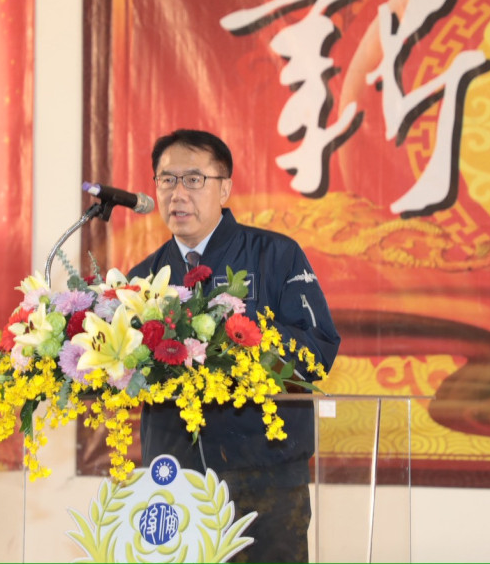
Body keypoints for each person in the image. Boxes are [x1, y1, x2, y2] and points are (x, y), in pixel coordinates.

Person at [129, 129, 341, 563]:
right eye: (167, 180)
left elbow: (317, 353)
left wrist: (240, 338)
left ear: (224, 188)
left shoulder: (276, 256)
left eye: (194, 179)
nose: (177, 193)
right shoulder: (143, 279)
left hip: (265, 480)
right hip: (174, 481)